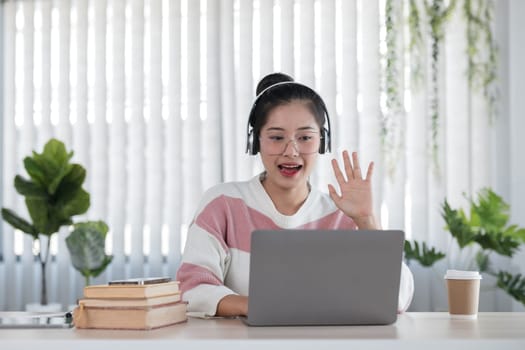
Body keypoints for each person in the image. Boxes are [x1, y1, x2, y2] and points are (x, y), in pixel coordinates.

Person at [176, 73, 414, 317]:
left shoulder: (342, 215)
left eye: (305, 138)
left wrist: (367, 222)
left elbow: (397, 299)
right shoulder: (223, 204)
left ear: (322, 142)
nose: (291, 151)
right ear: (256, 141)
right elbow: (191, 289)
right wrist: (259, 306)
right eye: (276, 137)